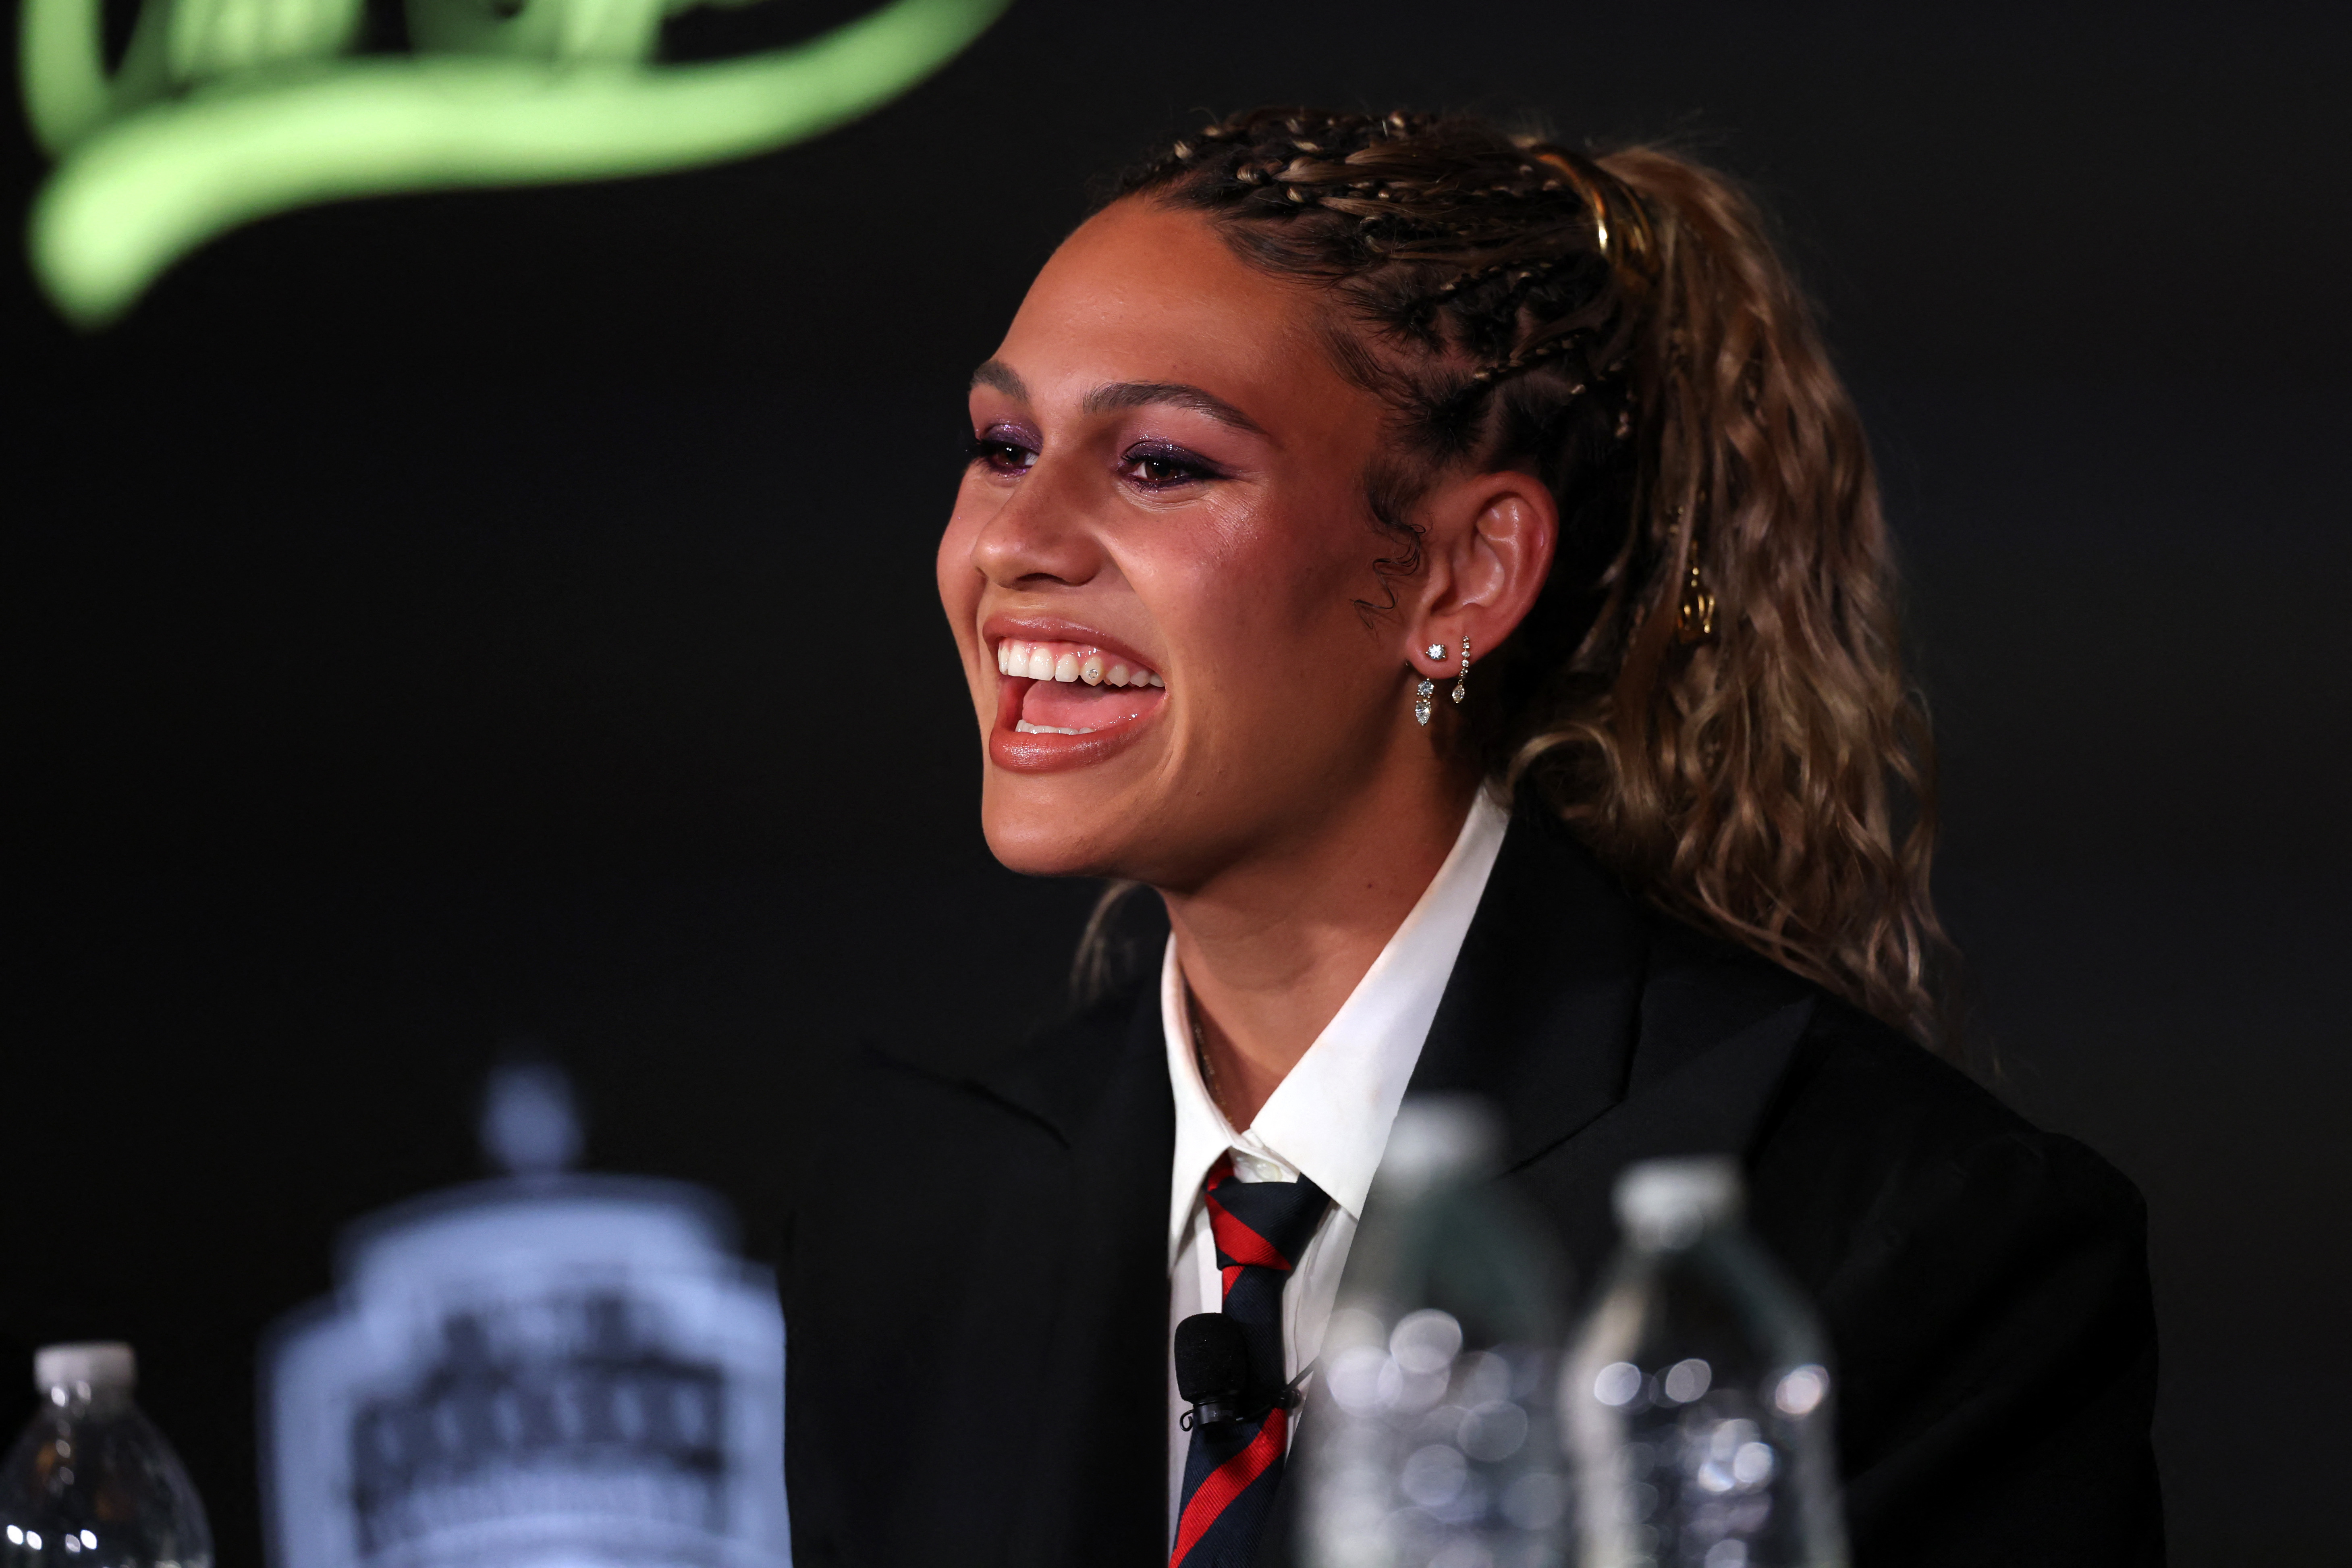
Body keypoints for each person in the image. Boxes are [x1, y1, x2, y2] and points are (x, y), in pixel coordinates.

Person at [781, 107, 2162, 1567]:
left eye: (1161, 464)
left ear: (1463, 574)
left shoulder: (1908, 1243)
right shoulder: (914, 1224)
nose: (1013, 541)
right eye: (1003, 445)